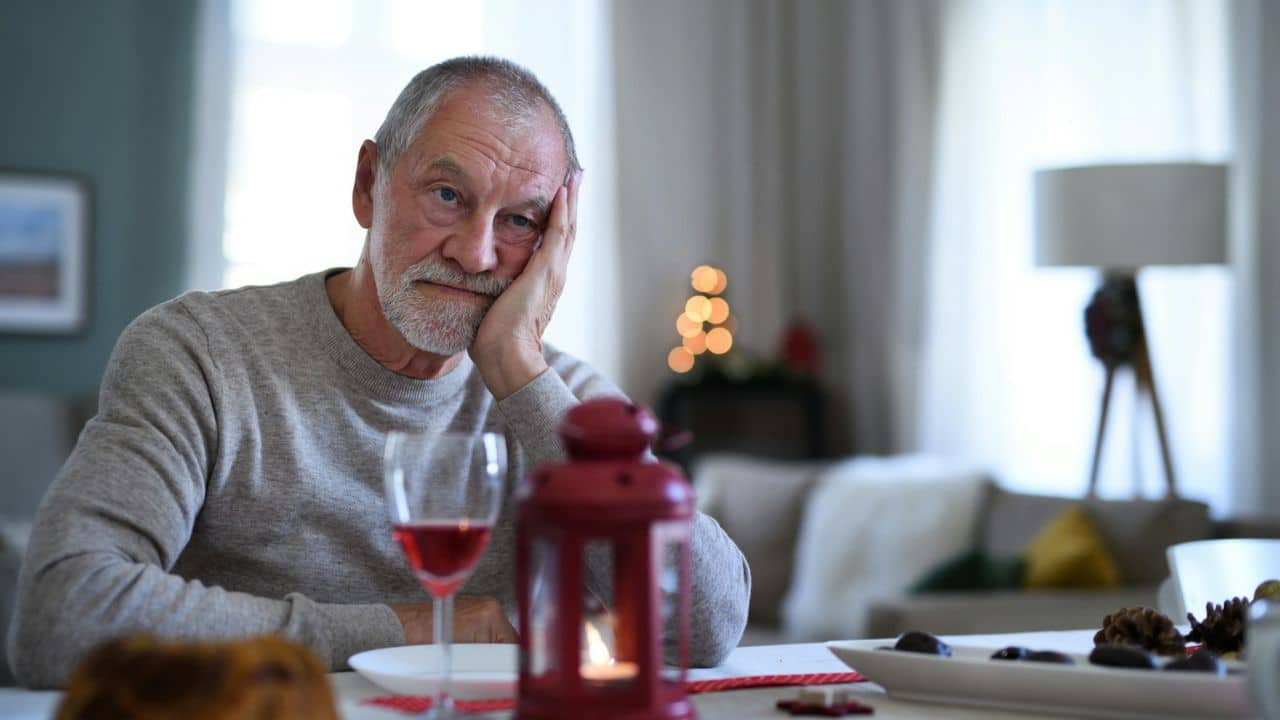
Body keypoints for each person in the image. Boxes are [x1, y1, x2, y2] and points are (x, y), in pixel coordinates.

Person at [6, 56, 750, 688]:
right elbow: (61, 615)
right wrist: (408, 629)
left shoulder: (557, 398)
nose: (476, 252)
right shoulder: (199, 352)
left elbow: (704, 628)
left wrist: (518, 371)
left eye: (520, 221)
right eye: (448, 195)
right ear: (368, 185)